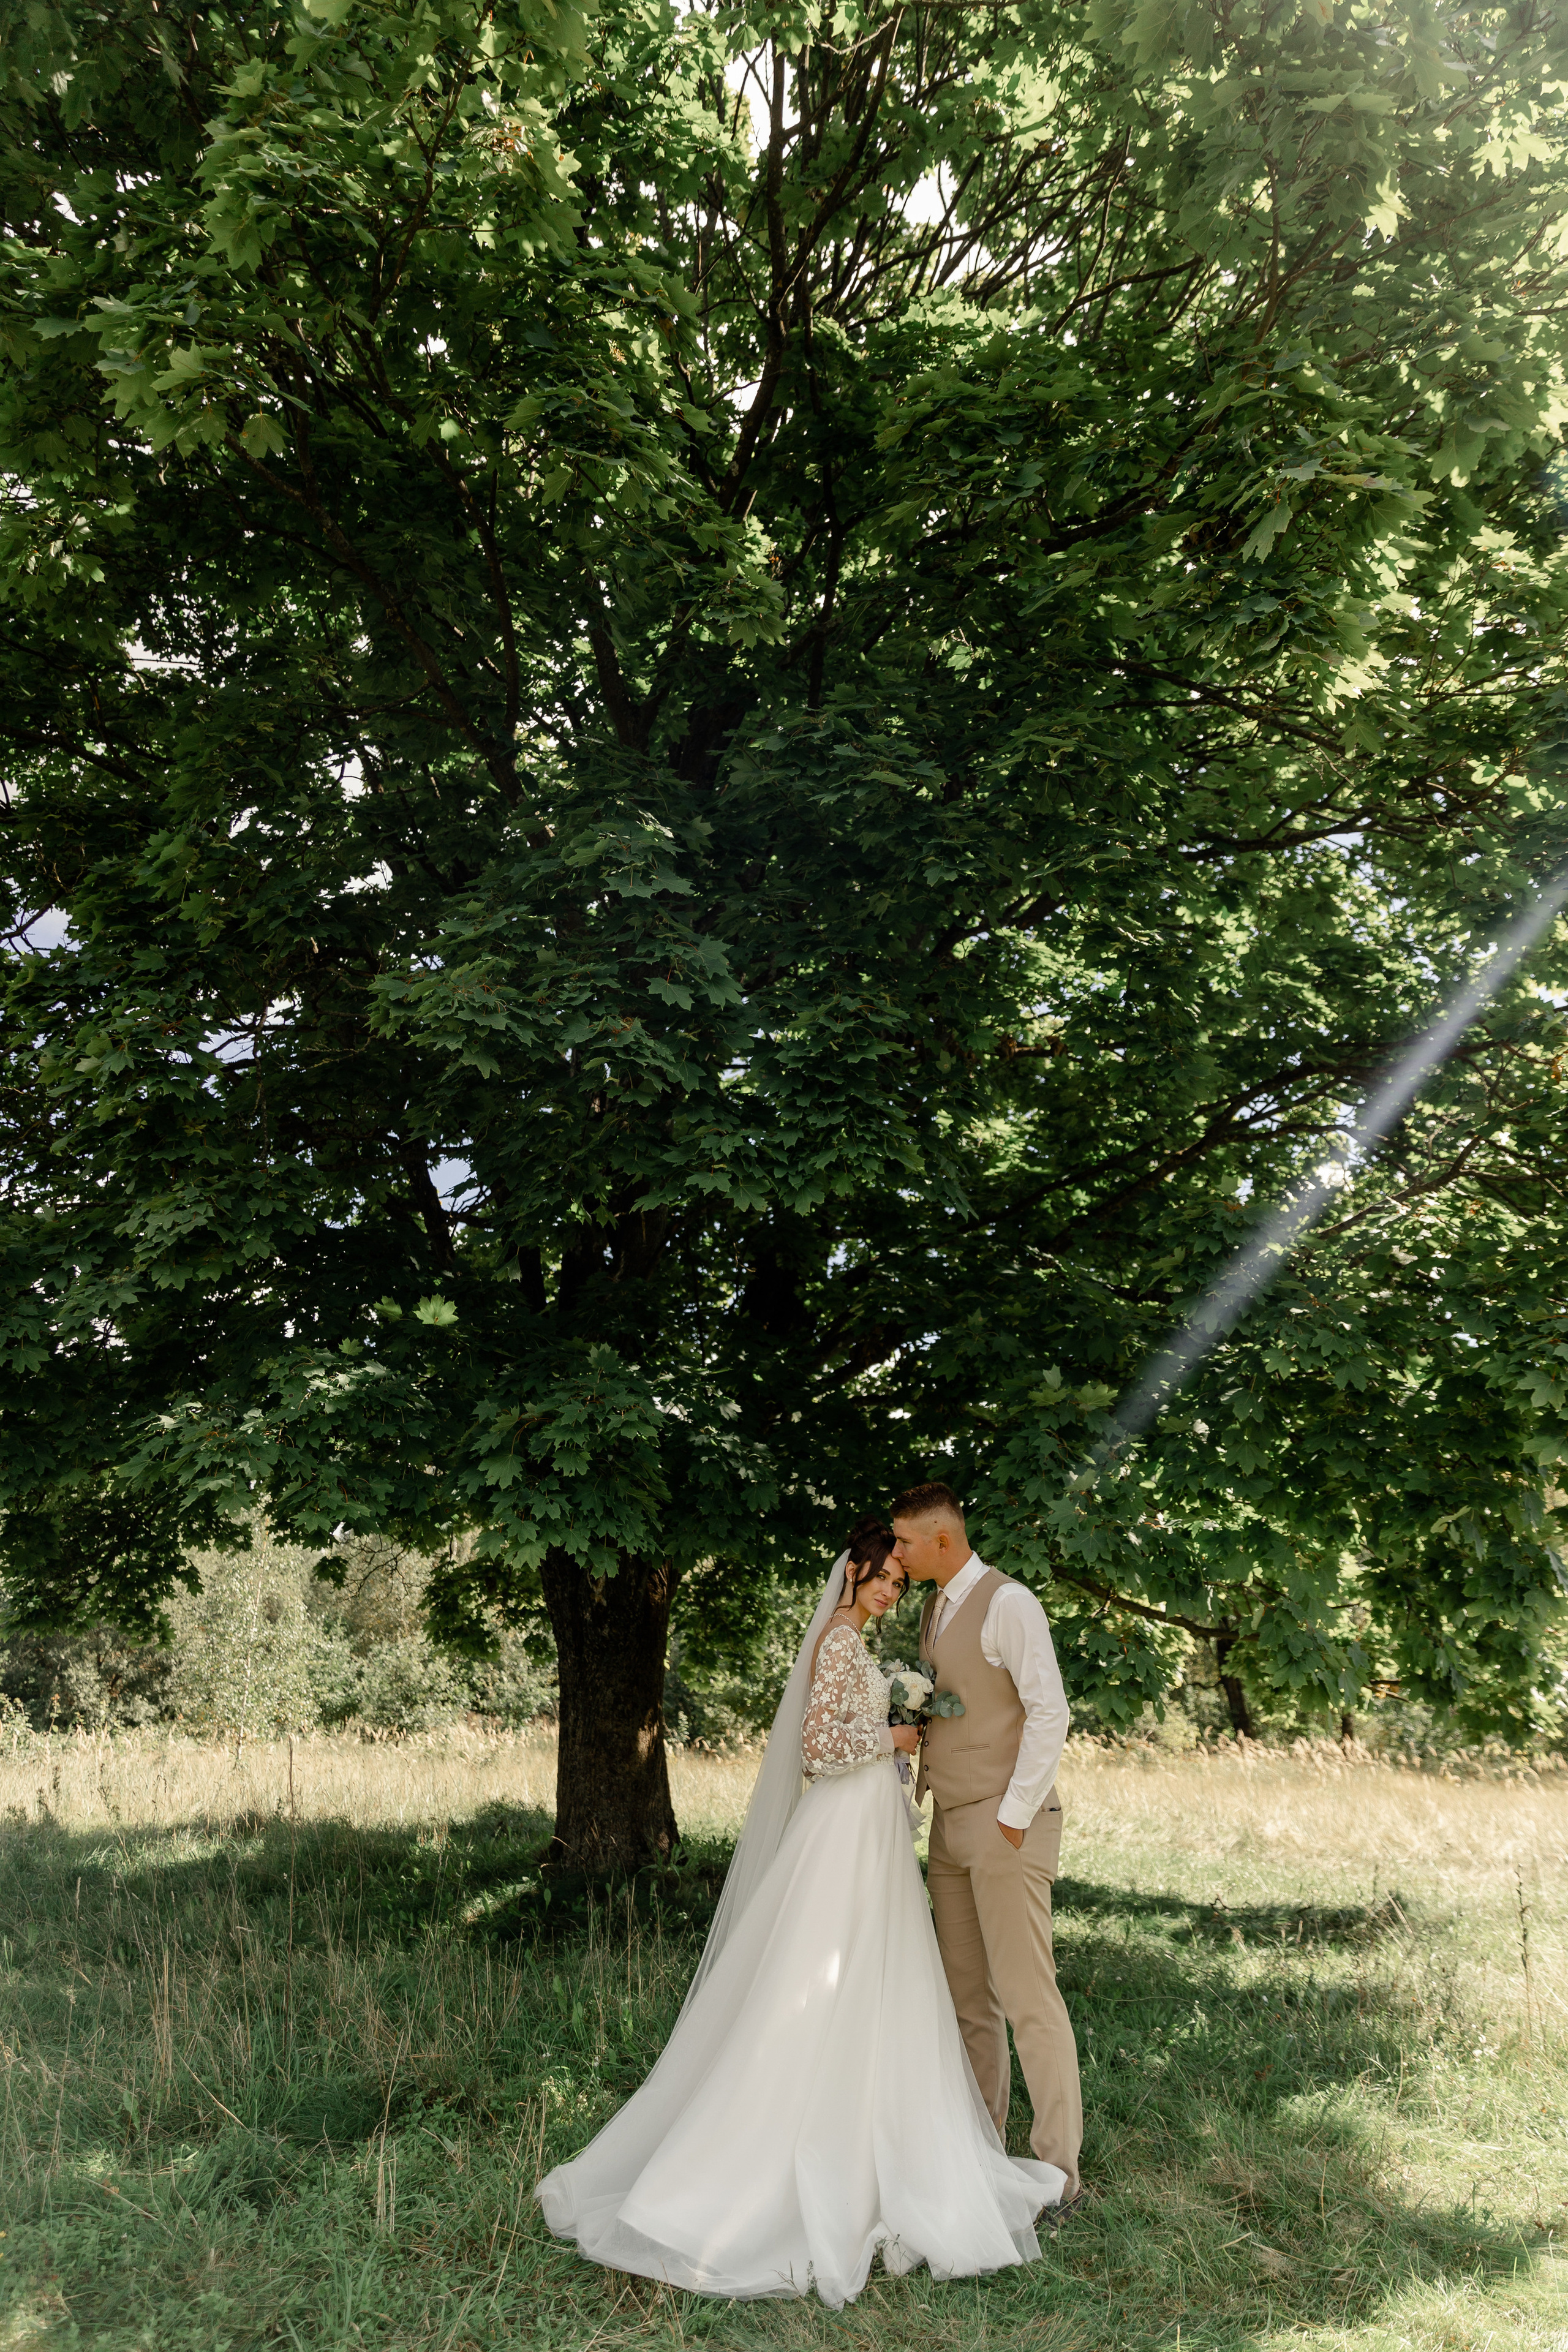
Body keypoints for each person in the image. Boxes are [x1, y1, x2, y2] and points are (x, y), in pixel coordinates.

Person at [535, 1515, 1066, 2307]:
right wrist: (890, 1734)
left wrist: (899, 1743)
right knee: (834, 1982)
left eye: (898, 1579)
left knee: (884, 1983)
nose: (890, 1589)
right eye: (879, 1576)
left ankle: (916, 2139)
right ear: (850, 1574)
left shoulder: (877, 1635)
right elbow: (820, 1750)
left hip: (876, 1831)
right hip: (845, 1834)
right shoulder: (840, 1643)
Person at [890, 1479, 1084, 2207]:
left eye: (905, 1541)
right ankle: (982, 2159)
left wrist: (1014, 1815)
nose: (898, 1554)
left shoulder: (1010, 1602)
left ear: (942, 1538)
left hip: (1006, 1825)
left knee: (1029, 2000)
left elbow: (1049, 1712)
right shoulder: (936, 1608)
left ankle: (1060, 2178)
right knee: (969, 2002)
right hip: (948, 1821)